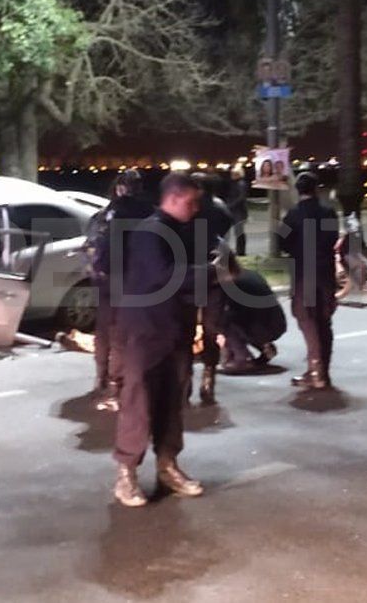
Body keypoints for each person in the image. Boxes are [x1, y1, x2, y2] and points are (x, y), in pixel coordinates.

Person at [111, 172, 204, 507]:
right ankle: (126, 475)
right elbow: (164, 278)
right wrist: (212, 272)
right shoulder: (150, 233)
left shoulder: (181, 231)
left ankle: (167, 465)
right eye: (192, 202)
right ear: (174, 198)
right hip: (143, 332)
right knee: (139, 402)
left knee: (172, 403)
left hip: (174, 332)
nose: (196, 209)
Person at [85, 169, 152, 412]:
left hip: (111, 280)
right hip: (138, 282)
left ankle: (106, 378)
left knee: (106, 332)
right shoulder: (149, 213)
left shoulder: (108, 214)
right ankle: (120, 380)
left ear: (119, 187)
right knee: (128, 334)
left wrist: (96, 265)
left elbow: (97, 244)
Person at [277, 172, 339, 390]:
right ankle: (323, 370)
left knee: (307, 322)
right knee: (324, 323)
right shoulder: (329, 213)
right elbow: (333, 239)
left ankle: (316, 372)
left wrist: (295, 249)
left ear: (298, 190)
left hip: (304, 275)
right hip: (326, 274)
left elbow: (281, 241)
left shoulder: (292, 215)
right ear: (315, 189)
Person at [189, 172, 234, 405]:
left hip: (191, 276)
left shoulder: (190, 208)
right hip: (215, 276)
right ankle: (208, 380)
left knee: (185, 329)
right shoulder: (220, 208)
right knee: (210, 331)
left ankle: (184, 382)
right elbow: (226, 228)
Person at [218, 256, 285, 373]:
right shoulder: (248, 274)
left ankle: (243, 359)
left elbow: (228, 314)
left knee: (222, 321)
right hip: (276, 325)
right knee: (236, 318)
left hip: (261, 327)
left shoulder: (230, 283)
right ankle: (265, 348)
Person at [224, 167, 249, 256]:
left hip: (239, 211)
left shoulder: (240, 184)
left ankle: (241, 251)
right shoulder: (236, 183)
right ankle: (240, 250)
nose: (232, 175)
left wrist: (230, 205)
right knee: (238, 231)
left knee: (239, 231)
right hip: (237, 210)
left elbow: (241, 198)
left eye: (234, 173)